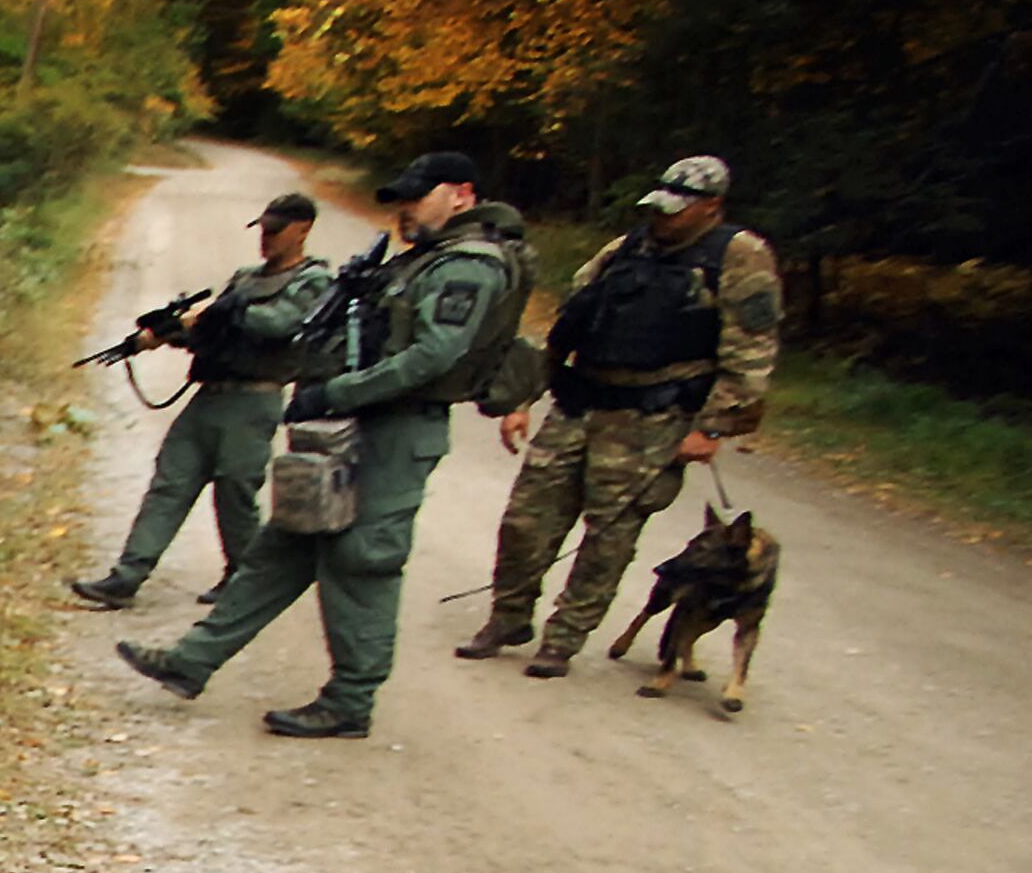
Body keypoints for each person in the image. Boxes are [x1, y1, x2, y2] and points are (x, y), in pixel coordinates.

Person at [115, 152, 528, 739]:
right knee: (283, 545)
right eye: (402, 198)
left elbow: (433, 356)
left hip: (398, 429)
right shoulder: (423, 260)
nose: (406, 209)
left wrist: (337, 391)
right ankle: (192, 660)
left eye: (418, 195)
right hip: (357, 421)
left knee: (363, 561)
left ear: (461, 194)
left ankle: (350, 702)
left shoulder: (471, 265)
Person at [455, 155, 780, 674]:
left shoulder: (739, 256)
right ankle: (509, 616)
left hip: (652, 419)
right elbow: (570, 323)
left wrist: (713, 426)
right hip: (583, 399)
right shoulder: (629, 247)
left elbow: (751, 350)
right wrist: (523, 397)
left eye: (678, 209)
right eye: (660, 206)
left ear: (712, 206)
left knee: (609, 537)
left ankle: (562, 640)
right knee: (525, 520)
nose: (664, 217)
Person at [67, 191, 333, 609]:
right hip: (209, 397)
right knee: (169, 483)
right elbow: (211, 334)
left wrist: (213, 315)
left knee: (235, 493)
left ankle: (243, 577)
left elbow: (279, 324)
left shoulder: (313, 282)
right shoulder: (246, 278)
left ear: (303, 230)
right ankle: (126, 576)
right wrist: (163, 334)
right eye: (263, 229)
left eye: (275, 231)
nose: (265, 239)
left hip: (254, 400)